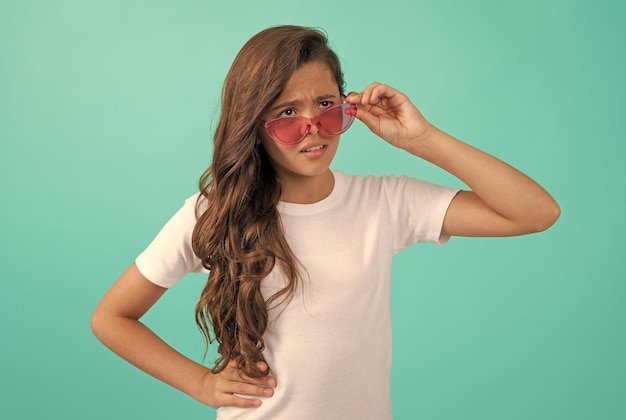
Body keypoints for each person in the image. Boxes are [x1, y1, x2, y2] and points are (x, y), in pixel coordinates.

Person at [91, 25, 560, 419]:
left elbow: (536, 212)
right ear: (254, 123)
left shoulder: (385, 202)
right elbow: (112, 318)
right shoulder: (215, 211)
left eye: (326, 104)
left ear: (346, 104)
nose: (312, 127)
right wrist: (201, 384)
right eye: (287, 113)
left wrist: (421, 138)